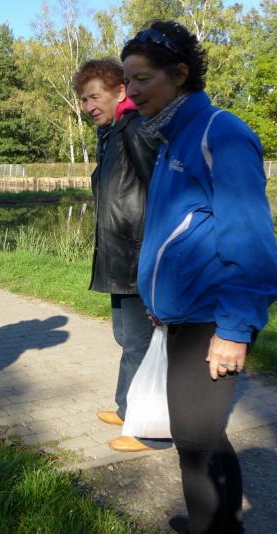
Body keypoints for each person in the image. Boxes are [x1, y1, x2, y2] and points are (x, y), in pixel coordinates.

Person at [122, 21, 277, 533]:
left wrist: (234, 329)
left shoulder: (220, 133)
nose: (132, 91)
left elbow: (251, 243)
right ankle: (216, 522)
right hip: (182, 315)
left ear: (180, 73)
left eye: (142, 79)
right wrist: (159, 298)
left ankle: (211, 527)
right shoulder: (171, 138)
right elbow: (178, 230)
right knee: (200, 436)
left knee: (194, 440)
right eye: (128, 80)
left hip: (214, 319)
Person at [72, 58, 164, 453]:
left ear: (120, 92)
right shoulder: (111, 134)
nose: (89, 106)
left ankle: (151, 430)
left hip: (138, 258)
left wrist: (156, 256)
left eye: (95, 97)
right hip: (117, 257)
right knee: (126, 337)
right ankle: (128, 408)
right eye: (84, 99)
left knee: (140, 343)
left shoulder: (136, 129)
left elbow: (163, 193)